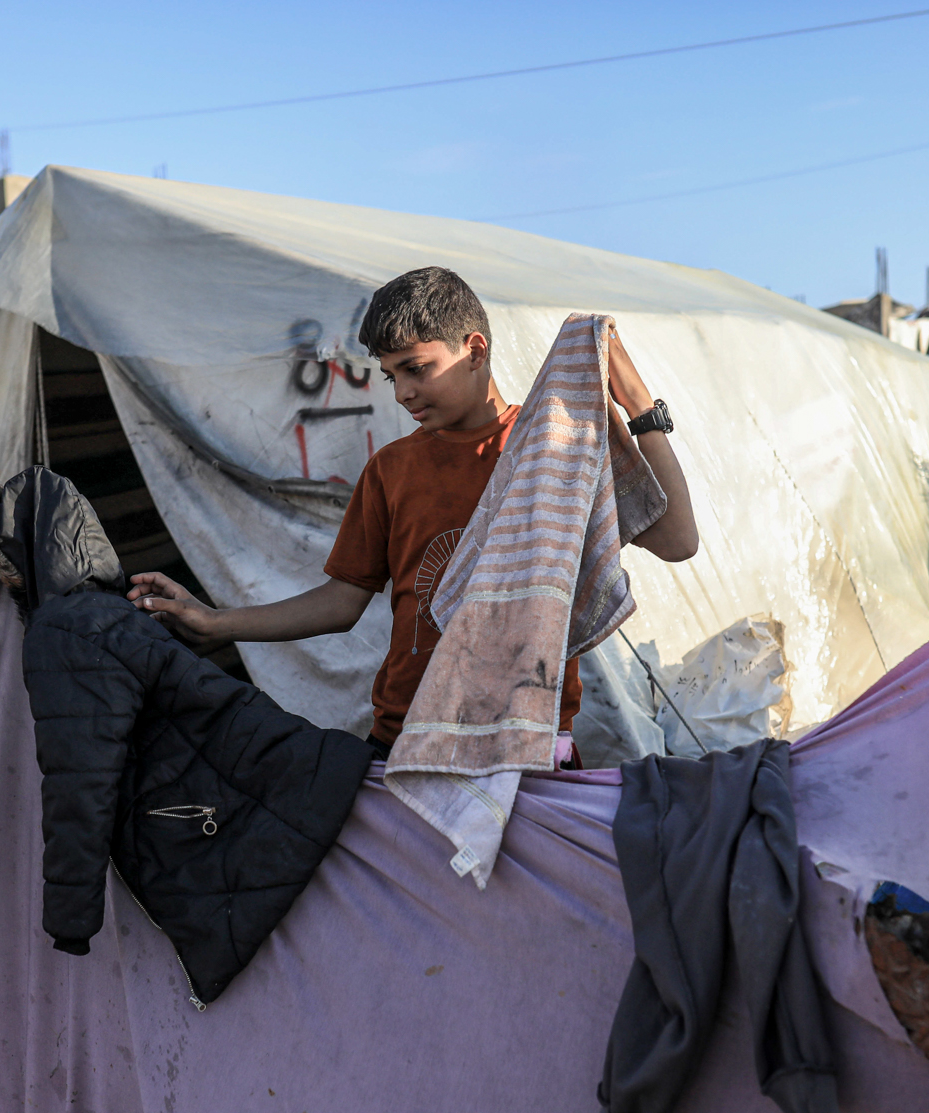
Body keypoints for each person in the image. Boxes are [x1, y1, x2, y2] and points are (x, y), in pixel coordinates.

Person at [126, 266, 700, 759]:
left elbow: (678, 541)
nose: (401, 392)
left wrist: (638, 404)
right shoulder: (391, 470)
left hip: (527, 741)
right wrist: (215, 621)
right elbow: (342, 602)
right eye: (390, 375)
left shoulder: (553, 448)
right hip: (406, 738)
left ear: (475, 350)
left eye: (416, 368)